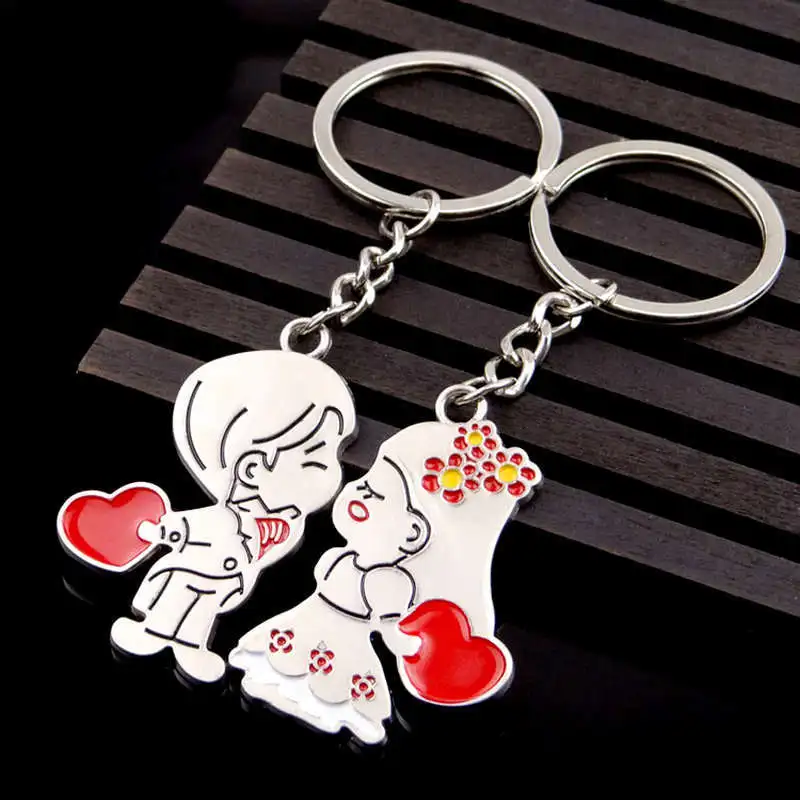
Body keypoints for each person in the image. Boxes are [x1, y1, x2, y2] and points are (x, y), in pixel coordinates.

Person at [230, 418, 541, 743]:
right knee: (282, 659)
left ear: (413, 533)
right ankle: (268, 684)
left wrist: (409, 646)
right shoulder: (341, 556)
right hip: (308, 619)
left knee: (338, 682)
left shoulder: (389, 581)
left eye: (374, 493)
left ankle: (348, 716)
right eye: (363, 482)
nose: (356, 491)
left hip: (349, 641)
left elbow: (390, 627)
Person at [83, 349, 356, 683]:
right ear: (253, 468)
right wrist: (162, 530)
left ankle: (189, 647)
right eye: (318, 456)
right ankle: (150, 633)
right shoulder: (223, 519)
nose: (336, 471)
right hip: (189, 572)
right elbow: (191, 526)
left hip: (224, 585)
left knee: (199, 617)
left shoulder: (285, 527)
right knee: (173, 605)